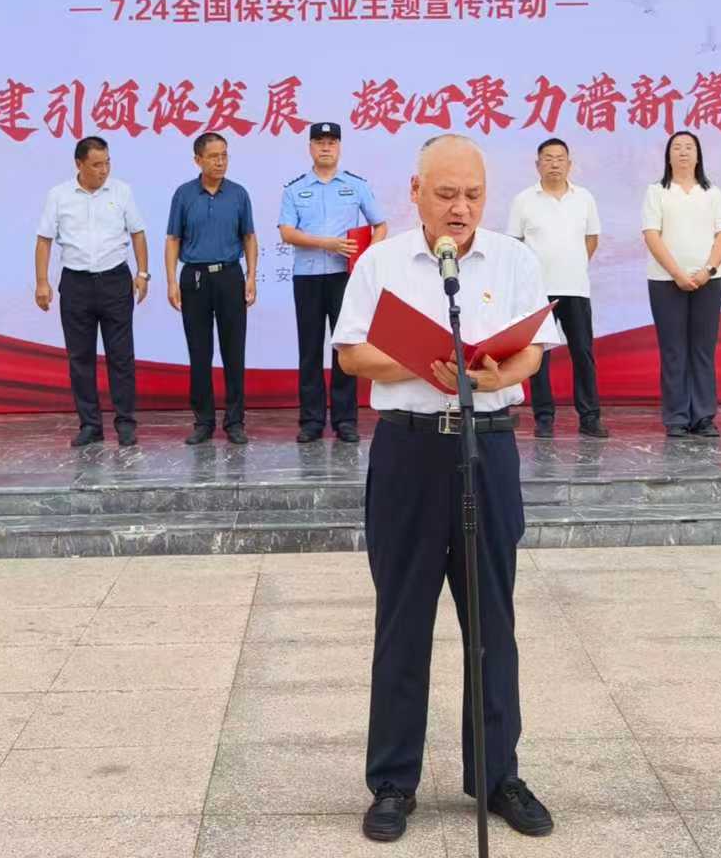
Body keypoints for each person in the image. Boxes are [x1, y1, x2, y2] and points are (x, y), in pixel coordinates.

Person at [333, 134, 559, 845]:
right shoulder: (381, 263)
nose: (460, 208)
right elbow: (352, 354)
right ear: (416, 193)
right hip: (409, 451)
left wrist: (498, 374)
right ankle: (393, 782)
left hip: (486, 447)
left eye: (473, 195)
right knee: (403, 619)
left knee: (492, 620)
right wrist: (424, 360)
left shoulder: (514, 259)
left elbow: (533, 348)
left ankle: (498, 776)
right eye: (446, 194)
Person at [35, 136, 149, 448]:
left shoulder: (121, 191)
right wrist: (42, 282)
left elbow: (138, 233)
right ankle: (90, 425)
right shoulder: (59, 195)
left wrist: (142, 273)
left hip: (115, 280)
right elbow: (44, 240)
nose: (104, 170)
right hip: (76, 284)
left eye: (107, 163)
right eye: (97, 164)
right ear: (79, 164)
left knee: (121, 356)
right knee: (80, 358)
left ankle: (125, 424)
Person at [278, 122, 388, 444]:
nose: (325, 147)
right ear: (310, 148)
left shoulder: (356, 186)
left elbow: (380, 225)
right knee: (310, 349)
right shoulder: (295, 189)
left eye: (331, 142)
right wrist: (327, 243)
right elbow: (287, 232)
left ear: (339, 147)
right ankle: (311, 421)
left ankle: (345, 420)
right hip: (308, 277)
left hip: (345, 278)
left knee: (345, 348)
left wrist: (366, 257)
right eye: (319, 142)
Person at [506, 137, 607, 439]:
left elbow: (591, 239)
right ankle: (544, 418)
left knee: (583, 353)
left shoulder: (584, 198)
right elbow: (515, 244)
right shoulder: (524, 200)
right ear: (538, 164)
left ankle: (589, 417)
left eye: (560, 158)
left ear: (569, 164)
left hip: (575, 288)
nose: (554, 163)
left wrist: (573, 265)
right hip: (538, 292)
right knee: (539, 356)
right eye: (548, 158)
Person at [166, 132, 258, 445]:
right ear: (198, 160)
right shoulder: (184, 195)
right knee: (199, 351)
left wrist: (251, 276)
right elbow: (173, 239)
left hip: (230, 276)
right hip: (194, 278)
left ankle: (235, 421)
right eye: (213, 156)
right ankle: (203, 421)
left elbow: (249, 237)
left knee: (234, 351)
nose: (220, 162)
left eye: (224, 155)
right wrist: (171, 280)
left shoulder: (239, 194)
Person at [642, 130, 721, 439]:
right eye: (677, 147)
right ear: (668, 156)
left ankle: (704, 416)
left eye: (689, 147)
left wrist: (708, 269)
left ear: (698, 155)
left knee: (703, 350)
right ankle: (677, 417)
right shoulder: (657, 191)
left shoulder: (712, 192)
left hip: (710, 280)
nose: (683, 152)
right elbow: (651, 235)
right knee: (673, 350)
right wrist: (677, 273)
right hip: (665, 281)